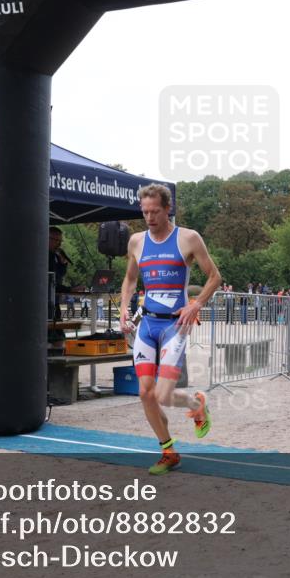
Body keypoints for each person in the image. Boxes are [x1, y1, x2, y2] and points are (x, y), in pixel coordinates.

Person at [119, 184, 221, 476]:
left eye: (155, 211)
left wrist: (196, 304)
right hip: (147, 324)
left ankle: (196, 404)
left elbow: (214, 276)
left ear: (167, 209)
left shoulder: (188, 238)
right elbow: (129, 280)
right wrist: (124, 308)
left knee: (163, 395)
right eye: (145, 212)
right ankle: (168, 451)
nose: (149, 217)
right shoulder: (137, 242)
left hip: (175, 326)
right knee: (145, 393)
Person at [48, 226, 71, 323]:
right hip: (45, 302)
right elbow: (49, 281)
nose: (59, 244)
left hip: (54, 301)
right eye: (56, 240)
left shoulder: (56, 256)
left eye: (60, 241)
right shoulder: (43, 256)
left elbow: (59, 276)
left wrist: (63, 264)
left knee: (58, 333)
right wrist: (69, 289)